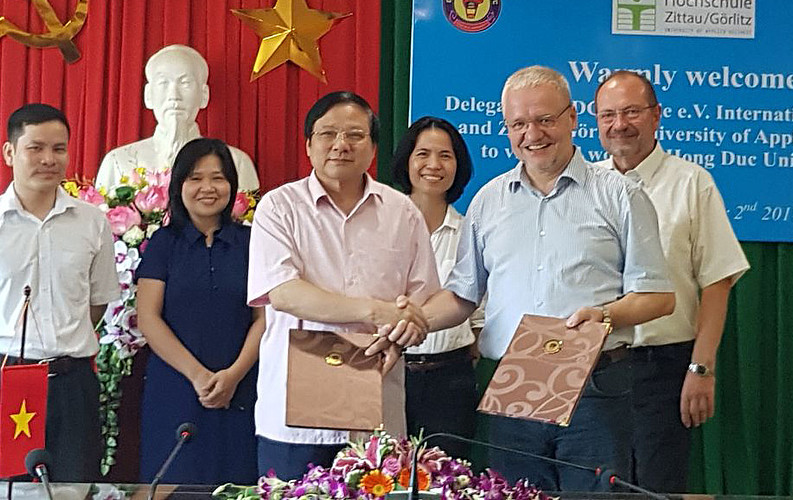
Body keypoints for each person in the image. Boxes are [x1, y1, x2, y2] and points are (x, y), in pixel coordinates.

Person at [376, 65, 676, 491]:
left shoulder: (621, 195)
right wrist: (415, 320)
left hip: (594, 387)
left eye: (544, 120)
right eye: (519, 123)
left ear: (572, 118)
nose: (532, 133)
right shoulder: (489, 201)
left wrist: (604, 316)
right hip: (513, 388)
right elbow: (462, 297)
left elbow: (659, 297)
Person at [247, 91, 439, 480]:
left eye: (354, 135)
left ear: (373, 148)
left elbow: (422, 303)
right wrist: (375, 311)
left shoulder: (402, 212)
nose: (340, 145)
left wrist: (401, 333)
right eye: (328, 133)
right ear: (308, 145)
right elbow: (283, 292)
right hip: (292, 416)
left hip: (376, 412)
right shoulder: (278, 207)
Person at [0, 103, 119, 481]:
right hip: (4, 383)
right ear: (10, 152)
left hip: (72, 386)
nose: (48, 159)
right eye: (35, 148)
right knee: (2, 491)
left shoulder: (93, 223)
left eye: (59, 149)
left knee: (74, 488)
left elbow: (97, 301)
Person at [594, 70, 749, 493]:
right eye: (607, 114)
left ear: (656, 116)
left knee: (656, 488)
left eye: (631, 111)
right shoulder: (585, 185)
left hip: (662, 368)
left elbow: (718, 281)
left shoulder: (692, 183)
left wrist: (701, 368)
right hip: (594, 368)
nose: (619, 124)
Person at [135, 138, 264, 484]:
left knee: (237, 484)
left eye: (218, 178)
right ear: (179, 185)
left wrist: (233, 375)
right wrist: (198, 376)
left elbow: (264, 319)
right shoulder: (164, 243)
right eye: (195, 178)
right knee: (172, 482)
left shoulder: (253, 243)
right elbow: (148, 316)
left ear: (232, 186)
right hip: (176, 387)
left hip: (241, 389)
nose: (208, 187)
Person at [390, 117, 476, 459]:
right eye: (422, 154)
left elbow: (480, 313)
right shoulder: (380, 226)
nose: (433, 165)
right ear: (406, 161)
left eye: (446, 155)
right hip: (388, 373)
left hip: (450, 381)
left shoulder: (472, 231)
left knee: (447, 483)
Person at [96, 44, 259, 191]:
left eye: (185, 83)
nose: (174, 95)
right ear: (148, 95)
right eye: (163, 83)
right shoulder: (118, 162)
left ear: (204, 95)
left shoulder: (236, 163)